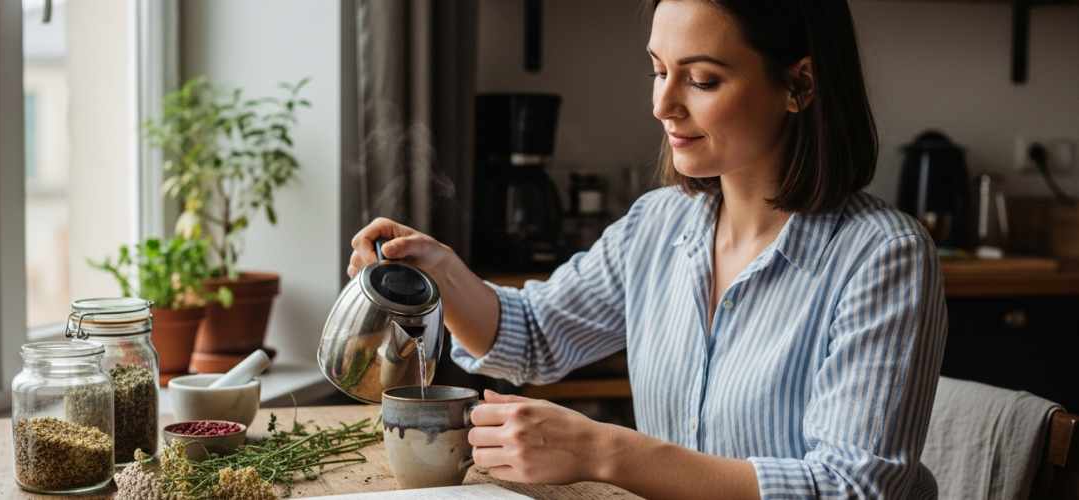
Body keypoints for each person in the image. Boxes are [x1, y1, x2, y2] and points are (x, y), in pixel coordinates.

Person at [347, 0, 947, 498]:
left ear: (800, 84)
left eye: (702, 79)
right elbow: (535, 336)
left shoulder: (884, 256)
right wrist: (441, 271)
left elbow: (852, 488)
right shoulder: (659, 223)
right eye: (659, 70)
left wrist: (603, 450)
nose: (663, 105)